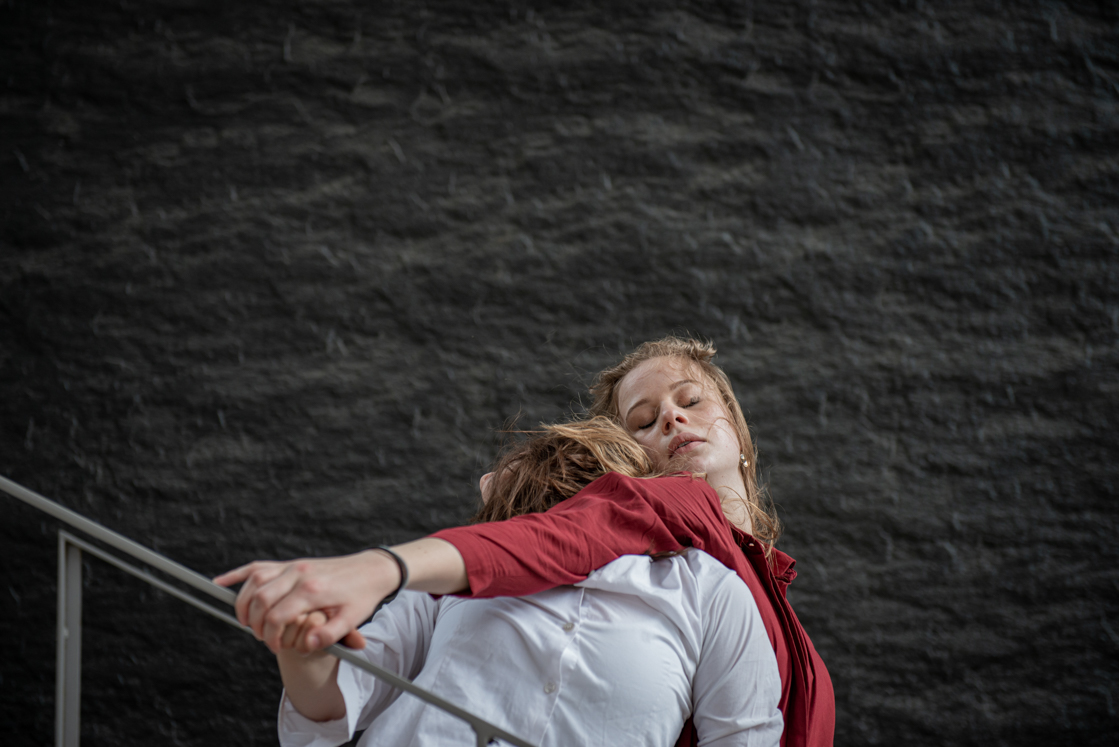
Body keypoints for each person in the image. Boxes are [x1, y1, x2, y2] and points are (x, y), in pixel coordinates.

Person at [216, 336, 834, 747]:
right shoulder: (645, 518)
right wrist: (320, 628)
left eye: (691, 400)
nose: (672, 418)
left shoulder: (736, 595)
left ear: (736, 423)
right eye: (643, 422)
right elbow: (335, 700)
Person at [271, 418, 783, 747]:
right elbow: (333, 703)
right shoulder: (452, 574)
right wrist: (301, 648)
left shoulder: (709, 590)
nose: (485, 483)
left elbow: (744, 737)